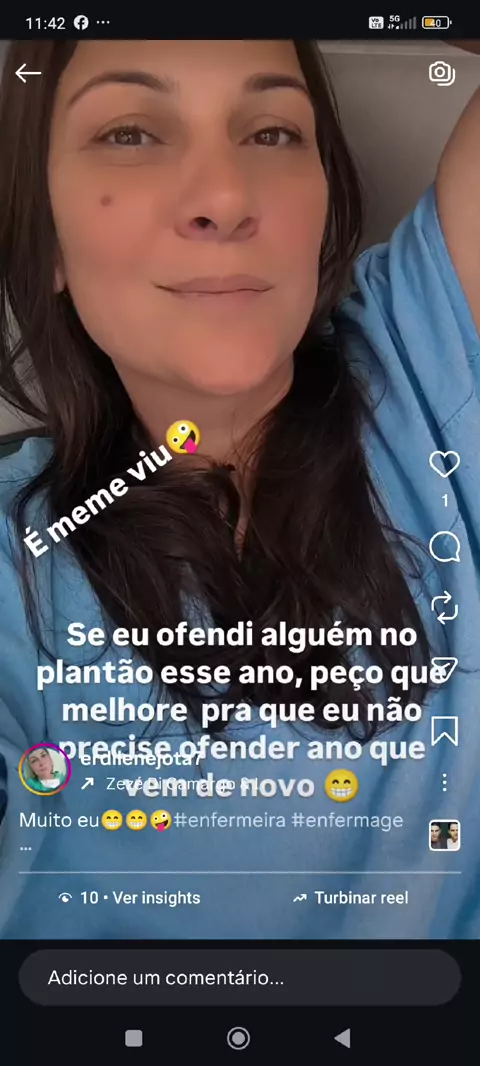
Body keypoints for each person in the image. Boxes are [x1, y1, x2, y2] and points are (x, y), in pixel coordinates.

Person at [0, 39, 478, 942]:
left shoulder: (426, 366)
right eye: (131, 134)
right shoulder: (17, 564)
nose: (224, 197)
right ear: (47, 236)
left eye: (271, 133)